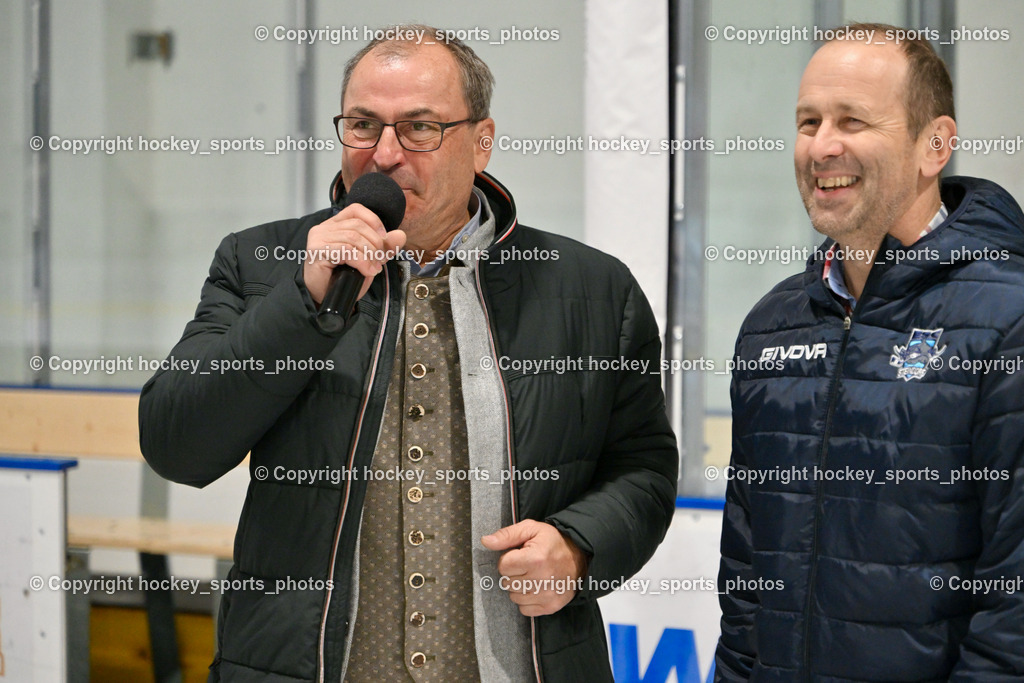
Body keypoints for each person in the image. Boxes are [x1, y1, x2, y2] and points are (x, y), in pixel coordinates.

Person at [140, 24, 678, 683]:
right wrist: (302, 303)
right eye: (363, 125)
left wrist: (580, 546)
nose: (384, 154)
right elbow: (176, 444)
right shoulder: (260, 265)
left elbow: (644, 469)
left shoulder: (591, 288)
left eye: (420, 127)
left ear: (481, 143)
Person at [715, 22, 1024, 681]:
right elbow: (746, 580)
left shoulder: (1006, 318)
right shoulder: (772, 327)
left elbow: (1015, 600)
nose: (822, 146)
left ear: (934, 144)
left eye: (853, 120)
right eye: (808, 122)